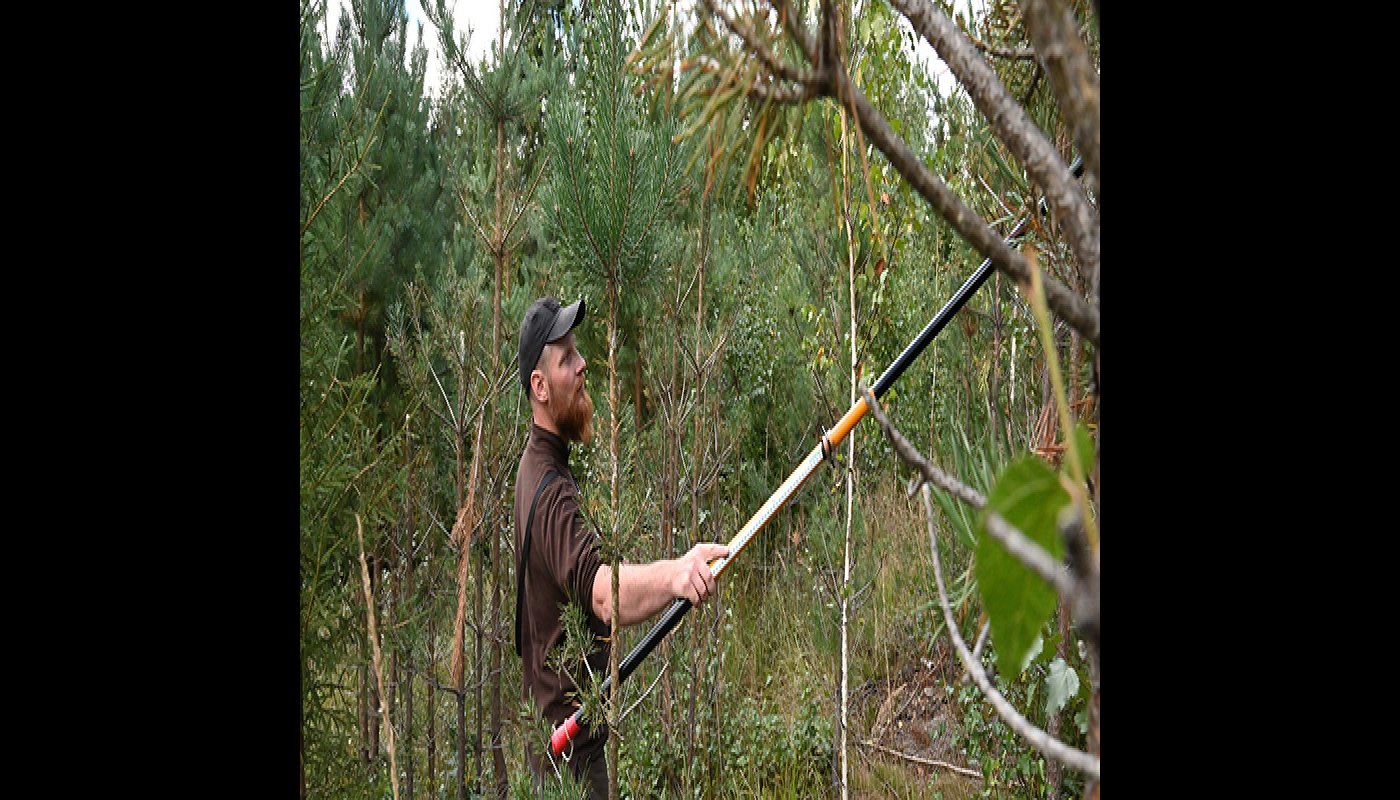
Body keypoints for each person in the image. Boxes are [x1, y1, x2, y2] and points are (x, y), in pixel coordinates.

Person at [513, 295, 730, 798]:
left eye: (577, 351)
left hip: (560, 743)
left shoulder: (536, 468)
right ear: (539, 387)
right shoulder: (548, 490)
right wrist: (678, 574)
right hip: (570, 756)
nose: (583, 363)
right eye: (566, 358)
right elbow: (604, 594)